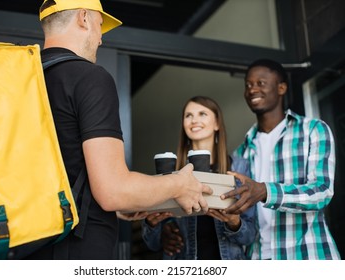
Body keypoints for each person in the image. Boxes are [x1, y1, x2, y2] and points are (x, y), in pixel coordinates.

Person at [27, 0, 213, 260]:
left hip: (26, 247)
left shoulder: (23, 81)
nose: (101, 39)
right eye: (100, 25)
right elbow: (114, 192)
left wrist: (123, 204)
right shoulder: (89, 78)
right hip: (75, 252)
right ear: (83, 18)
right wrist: (178, 184)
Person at [222, 58, 341, 260]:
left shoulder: (313, 130)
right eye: (248, 85)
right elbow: (241, 219)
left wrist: (265, 191)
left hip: (308, 255)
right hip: (259, 259)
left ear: (281, 87)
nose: (252, 90)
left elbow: (322, 191)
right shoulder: (240, 153)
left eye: (260, 83)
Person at [141, 96, 256, 260]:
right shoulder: (171, 171)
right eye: (188, 115)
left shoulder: (239, 168)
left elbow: (250, 236)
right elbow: (152, 244)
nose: (194, 120)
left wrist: (234, 223)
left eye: (202, 113)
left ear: (217, 123)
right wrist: (152, 224)